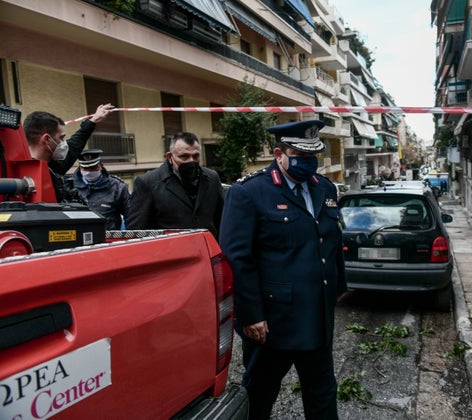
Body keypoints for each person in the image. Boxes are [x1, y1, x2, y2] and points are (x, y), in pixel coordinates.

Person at [219, 120, 347, 419]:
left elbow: (331, 240)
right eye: (300, 156)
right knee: (260, 394)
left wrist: (339, 286)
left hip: (318, 316)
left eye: (313, 155)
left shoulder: (324, 187)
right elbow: (237, 258)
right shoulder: (249, 192)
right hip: (273, 323)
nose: (308, 163)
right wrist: (251, 314)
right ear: (279, 154)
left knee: (323, 393)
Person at [126, 132, 223, 237]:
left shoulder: (212, 178)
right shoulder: (148, 183)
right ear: (169, 156)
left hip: (210, 251)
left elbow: (223, 219)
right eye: (184, 156)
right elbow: (136, 231)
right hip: (170, 251)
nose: (191, 161)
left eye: (196, 156)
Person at [23, 104, 115, 203]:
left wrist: (93, 121)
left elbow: (75, 144)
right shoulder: (18, 174)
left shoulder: (54, 168)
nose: (64, 143)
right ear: (47, 139)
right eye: (61, 138)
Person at [72, 149, 130, 230]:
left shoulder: (117, 187)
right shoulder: (70, 186)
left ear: (101, 166)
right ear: (80, 168)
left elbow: (130, 216)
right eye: (85, 169)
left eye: (93, 168)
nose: (89, 172)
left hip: (108, 239)